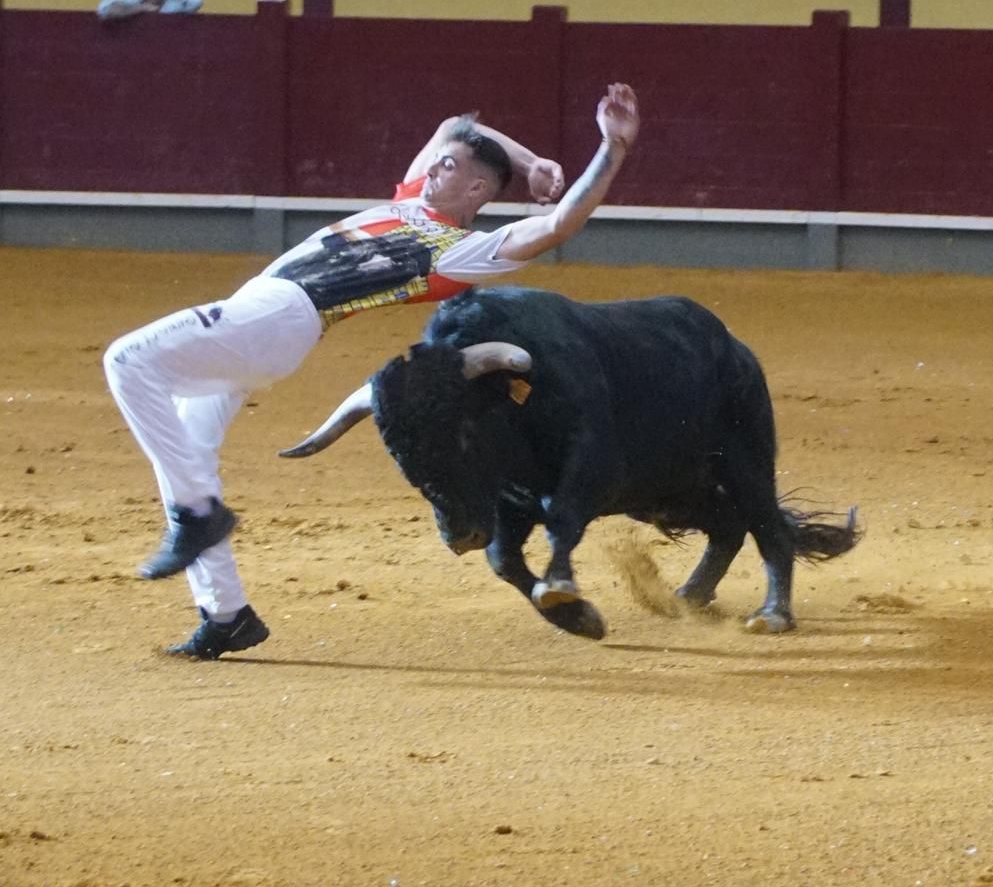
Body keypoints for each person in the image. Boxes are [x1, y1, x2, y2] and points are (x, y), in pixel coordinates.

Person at [102, 83, 641, 659]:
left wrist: (611, 147)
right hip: (265, 317)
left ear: (477, 188)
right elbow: (454, 126)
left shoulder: (458, 252)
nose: (438, 163)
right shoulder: (413, 196)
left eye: (451, 167)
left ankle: (198, 517)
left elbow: (557, 225)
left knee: (127, 360)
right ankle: (227, 614)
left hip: (279, 314)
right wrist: (531, 161)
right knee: (185, 453)